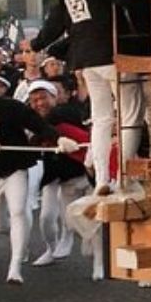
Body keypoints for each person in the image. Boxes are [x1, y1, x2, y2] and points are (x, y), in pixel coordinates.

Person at [31, 0, 131, 195]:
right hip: (111, 55)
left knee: (101, 119)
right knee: (130, 115)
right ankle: (123, 176)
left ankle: (102, 178)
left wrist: (36, 44)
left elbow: (55, 23)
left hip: (84, 61)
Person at [0, 74, 76, 285]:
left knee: (18, 211)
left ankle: (15, 267)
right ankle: (14, 242)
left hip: (14, 168)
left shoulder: (10, 107)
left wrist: (59, 138)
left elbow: (38, 124)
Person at [24, 80, 90, 266]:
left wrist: (35, 131)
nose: (39, 103)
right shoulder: (30, 118)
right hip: (50, 175)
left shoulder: (65, 112)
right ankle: (50, 249)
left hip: (75, 171)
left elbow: (46, 127)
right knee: (46, 217)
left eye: (43, 98)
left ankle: (72, 240)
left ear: (55, 97)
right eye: (34, 100)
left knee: (75, 215)